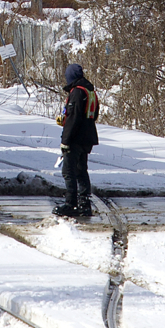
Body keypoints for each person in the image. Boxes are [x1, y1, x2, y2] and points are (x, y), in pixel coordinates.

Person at [53, 62, 99, 218]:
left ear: (70, 77)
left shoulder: (77, 93)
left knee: (68, 171)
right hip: (87, 137)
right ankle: (84, 204)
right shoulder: (90, 91)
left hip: (76, 137)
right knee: (81, 170)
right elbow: (92, 114)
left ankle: (71, 203)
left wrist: (65, 140)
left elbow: (74, 118)